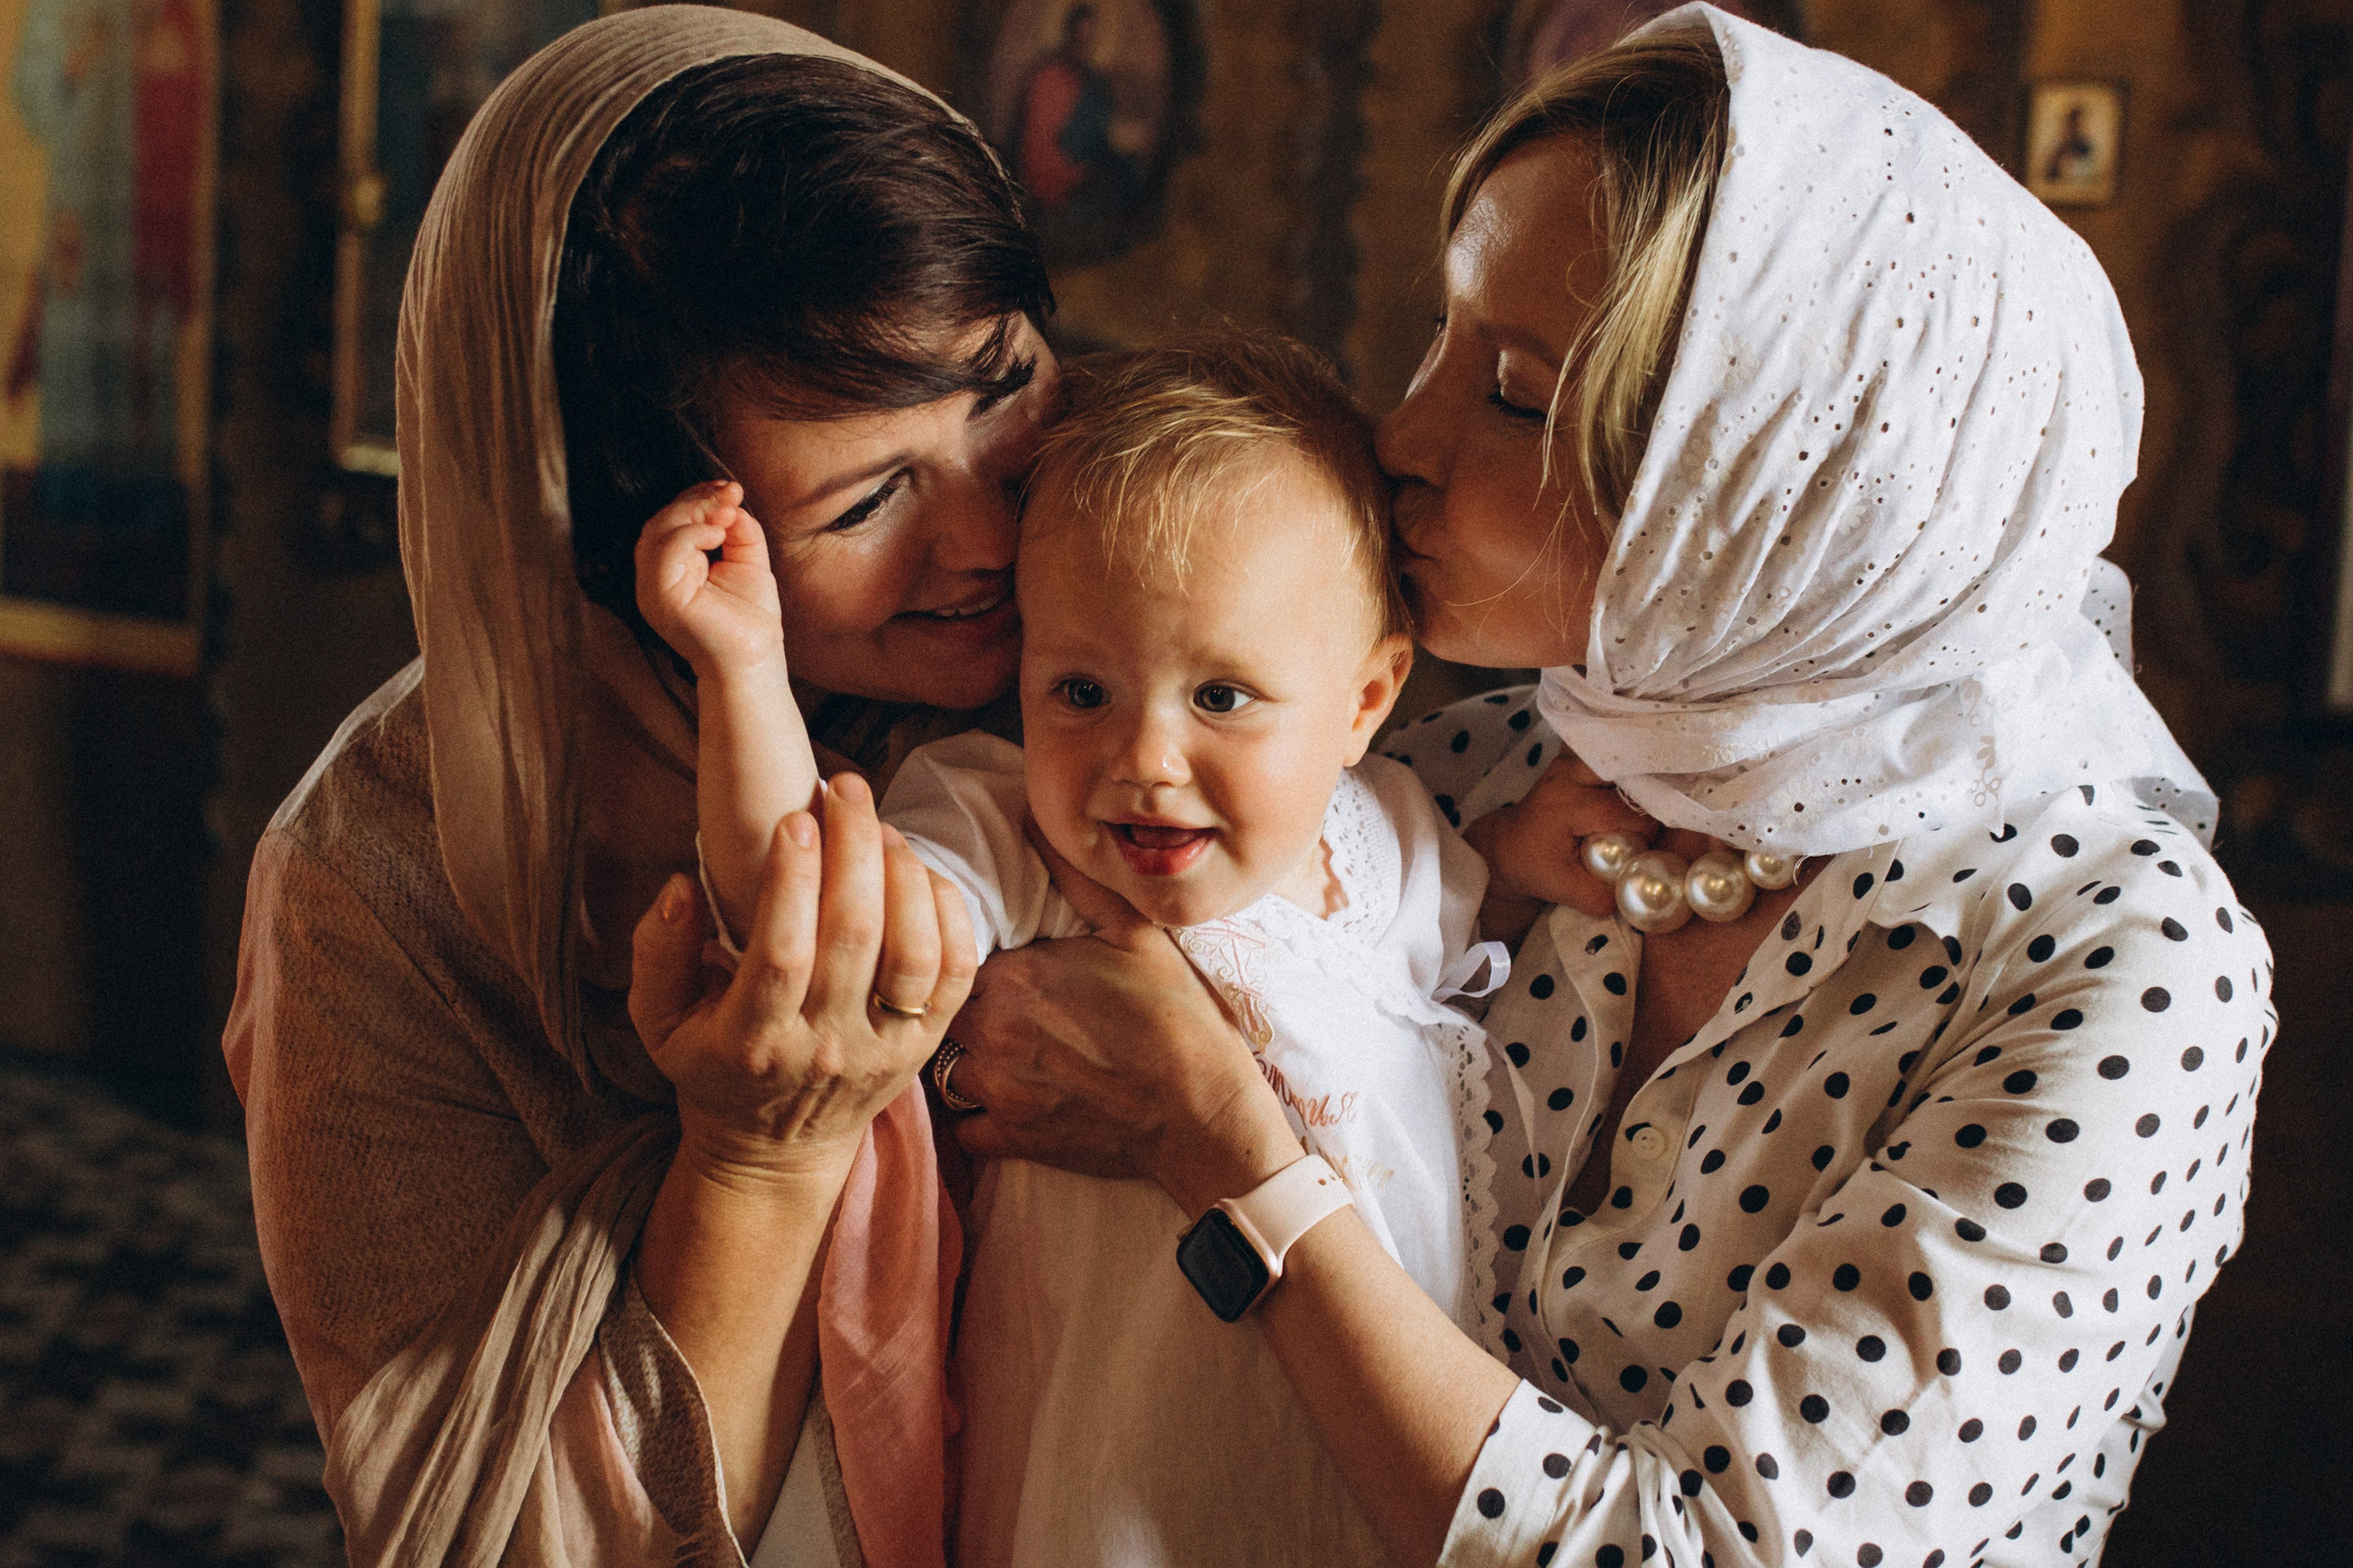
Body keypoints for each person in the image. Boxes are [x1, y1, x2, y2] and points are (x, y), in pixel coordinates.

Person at [942, 9, 2276, 1566]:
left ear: (1776, 482)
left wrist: (1233, 1154)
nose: (1399, 435)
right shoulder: (1465, 776)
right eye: (1442, 342)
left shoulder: (2111, 962)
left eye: (1511, 390)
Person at [222, 9, 1061, 1564]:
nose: (990, 542)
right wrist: (761, 1153)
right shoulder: (378, 887)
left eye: (1004, 394)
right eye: (870, 498)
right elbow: (510, 1536)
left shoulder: (1118, 643)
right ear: (631, 532)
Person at [637, 335, 1511, 1567]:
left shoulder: (1398, 845)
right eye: (1081, 692)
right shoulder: (1017, 841)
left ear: (1365, 702)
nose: (1146, 759)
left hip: (1374, 1464)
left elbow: (1491, 1019)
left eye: (1222, 697)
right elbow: (815, 915)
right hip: (1102, 1480)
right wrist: (742, 673)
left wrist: (1564, 845)